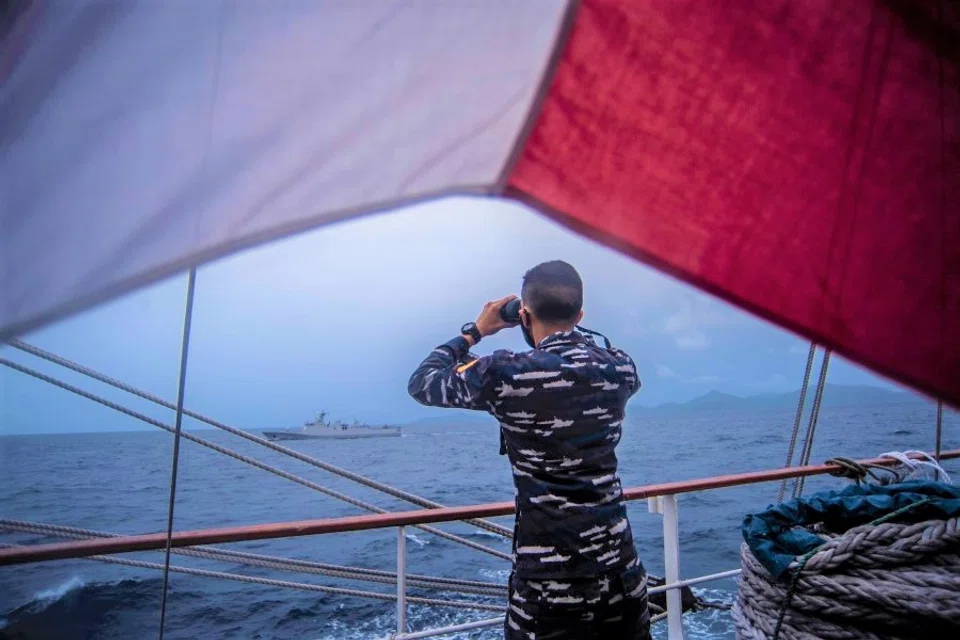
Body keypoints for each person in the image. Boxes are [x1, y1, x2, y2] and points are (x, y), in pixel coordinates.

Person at [407, 260, 651, 639]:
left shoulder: (504, 373)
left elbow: (423, 382)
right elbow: (589, 358)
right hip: (621, 572)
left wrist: (475, 332)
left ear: (523, 315)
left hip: (548, 586)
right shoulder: (620, 368)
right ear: (581, 314)